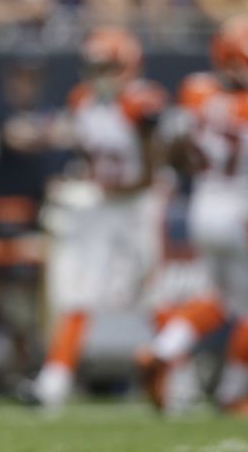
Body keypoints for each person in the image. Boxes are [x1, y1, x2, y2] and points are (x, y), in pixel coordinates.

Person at [138, 16, 248, 417]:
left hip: (203, 208)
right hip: (246, 212)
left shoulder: (197, 92)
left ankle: (161, 350)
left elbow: (176, 151)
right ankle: (234, 395)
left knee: (222, 299)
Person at [16, 27, 168, 411]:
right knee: (80, 294)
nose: (100, 75)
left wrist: (106, 190)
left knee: (153, 294)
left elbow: (151, 173)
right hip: (103, 208)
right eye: (95, 66)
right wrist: (84, 182)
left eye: (108, 66)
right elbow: (87, 154)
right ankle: (54, 384)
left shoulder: (140, 104)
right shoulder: (82, 101)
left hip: (138, 208)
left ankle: (177, 383)